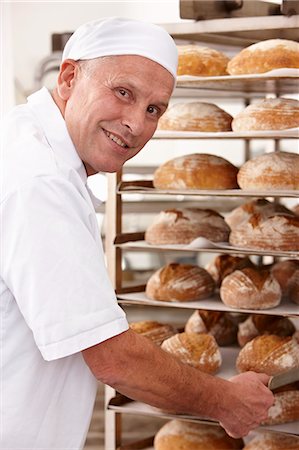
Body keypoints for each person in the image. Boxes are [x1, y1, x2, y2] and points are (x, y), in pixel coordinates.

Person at [1, 17, 274, 449]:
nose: (135, 123)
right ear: (70, 77)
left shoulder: (25, 143)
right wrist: (225, 400)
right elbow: (112, 357)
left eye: (153, 109)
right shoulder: (39, 180)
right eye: (122, 92)